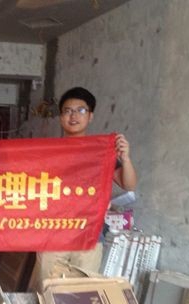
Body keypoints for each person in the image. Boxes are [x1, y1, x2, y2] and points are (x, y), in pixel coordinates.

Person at [33, 87, 137, 292]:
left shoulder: (101, 152)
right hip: (53, 234)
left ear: (90, 116)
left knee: (83, 295)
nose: (73, 116)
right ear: (61, 117)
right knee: (48, 292)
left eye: (80, 110)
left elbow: (129, 184)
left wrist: (125, 158)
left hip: (89, 236)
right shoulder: (46, 152)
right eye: (67, 111)